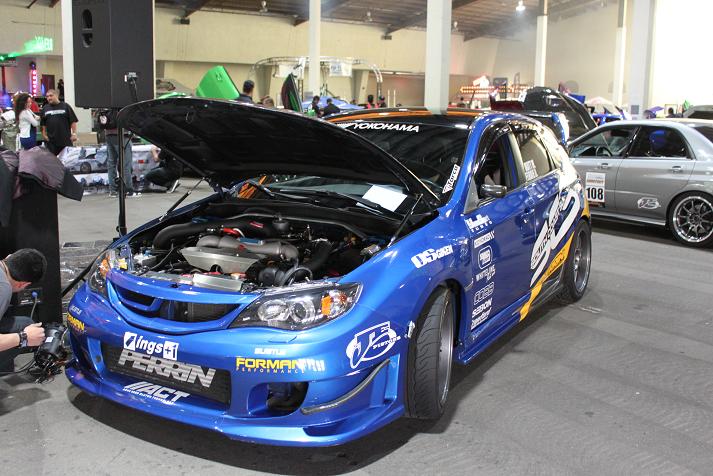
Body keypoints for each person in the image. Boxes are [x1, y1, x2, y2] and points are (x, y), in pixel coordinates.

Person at [0, 249, 47, 373]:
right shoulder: (3, 288)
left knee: (24, 324)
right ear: (23, 285)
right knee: (25, 330)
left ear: (9, 257)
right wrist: (23, 337)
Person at [104, 109, 138, 197]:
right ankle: (128, 189)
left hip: (108, 135)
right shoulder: (123, 105)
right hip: (122, 135)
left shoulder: (108, 106)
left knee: (111, 163)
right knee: (126, 163)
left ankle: (113, 190)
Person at [40, 89, 78, 155]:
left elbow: (73, 121)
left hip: (65, 140)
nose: (49, 98)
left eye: (51, 95)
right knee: (53, 160)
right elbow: (43, 124)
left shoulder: (66, 106)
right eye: (47, 96)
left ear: (56, 95)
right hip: (51, 142)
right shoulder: (45, 108)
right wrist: (44, 135)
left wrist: (74, 134)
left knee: (66, 159)